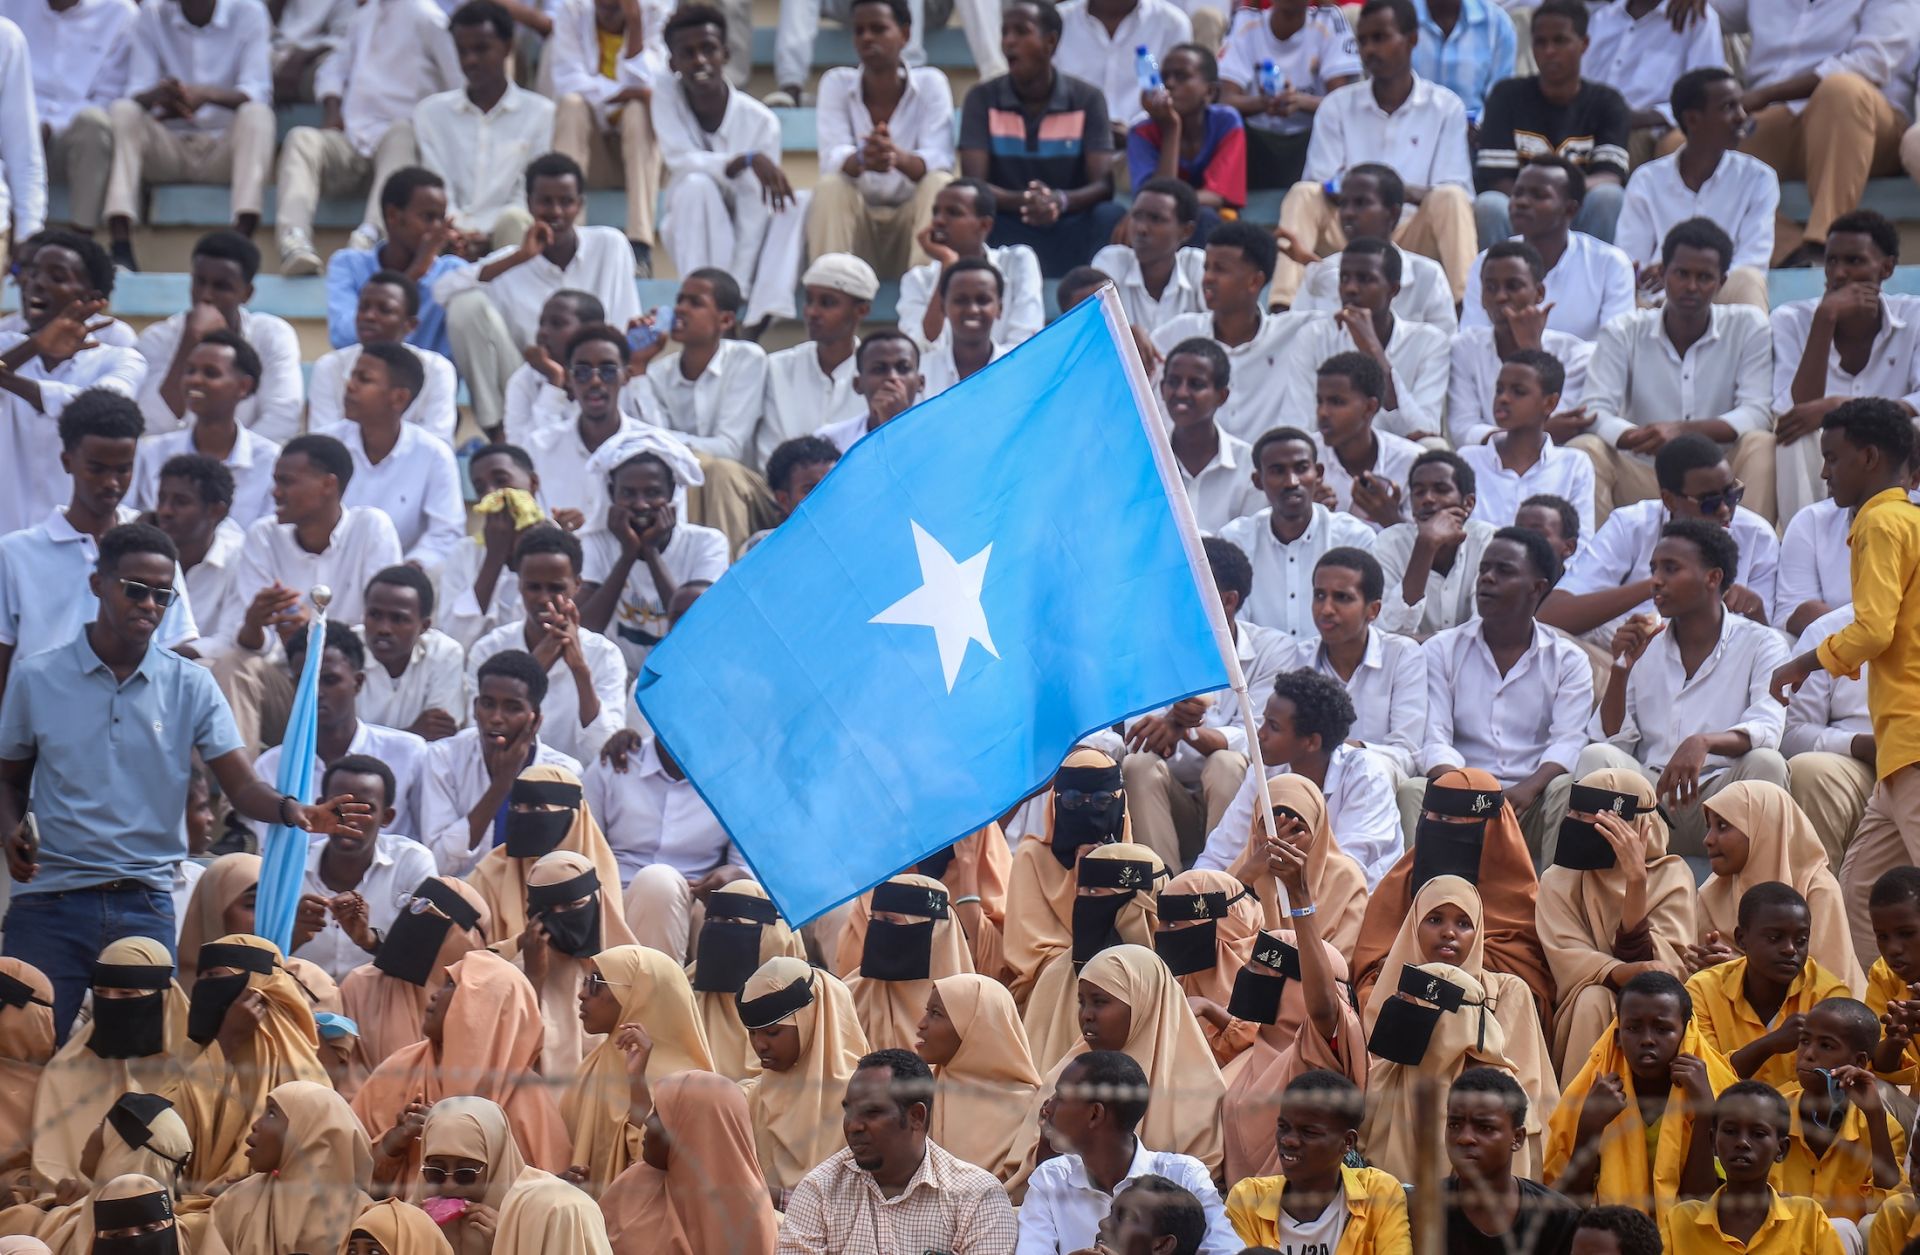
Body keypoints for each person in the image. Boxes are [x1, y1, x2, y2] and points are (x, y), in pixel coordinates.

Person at [0, 524, 370, 1036]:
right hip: (50, 899)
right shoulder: (37, 677)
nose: (149, 605)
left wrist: (295, 811)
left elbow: (240, 786)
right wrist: (8, 830)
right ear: (97, 584)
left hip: (144, 900)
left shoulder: (191, 683)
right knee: (20, 1049)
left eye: (163, 594)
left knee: (140, 1065)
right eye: (135, 589)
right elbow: (8, 780)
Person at [1768, 401, 1920, 969]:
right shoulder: (1911, 521)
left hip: (1911, 736)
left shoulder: (1879, 521)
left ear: (1870, 456)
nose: (1825, 471)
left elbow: (1873, 628)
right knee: (1858, 888)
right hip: (1898, 749)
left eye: (1832, 457)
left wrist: (1803, 663)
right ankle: (1882, 1018)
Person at [1578, 519, 1791, 856]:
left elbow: (1768, 727)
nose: (1656, 580)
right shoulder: (1644, 640)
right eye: (1654, 569)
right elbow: (1610, 737)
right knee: (1596, 757)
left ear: (1713, 577)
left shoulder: (1763, 642)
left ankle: (1757, 895)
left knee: (1767, 762)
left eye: (1671, 568)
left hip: (1721, 798)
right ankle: (1593, 897)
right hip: (1652, 796)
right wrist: (1621, 667)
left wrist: (1703, 742)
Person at [1271, 0, 1476, 306]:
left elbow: (1453, 187)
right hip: (1348, 229)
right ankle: (1281, 307)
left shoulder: (1445, 107)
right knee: (1303, 194)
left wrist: (1381, 194)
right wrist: (1375, 198)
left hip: (1411, 231)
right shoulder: (1336, 105)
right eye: (1363, 41)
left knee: (1451, 199)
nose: (1369, 50)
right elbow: (1323, 182)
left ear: (1411, 39)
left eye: (1380, 38)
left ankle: (1467, 307)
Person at [1573, 218, 1775, 523]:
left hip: (1721, 483)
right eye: (1682, 274)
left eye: (1704, 277)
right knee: (1585, 449)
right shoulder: (1623, 330)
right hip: (1645, 473)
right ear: (1663, 273)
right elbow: (1595, 411)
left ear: (1721, 283)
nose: (1691, 287)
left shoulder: (1748, 326)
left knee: (1761, 444)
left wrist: (1682, 432)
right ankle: (1596, 565)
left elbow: (1758, 411)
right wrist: (1641, 438)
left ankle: (1749, 557)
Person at [0, 392, 198, 696]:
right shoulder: (16, 553)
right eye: (97, 468)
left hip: (132, 716)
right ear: (68, 461)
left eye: (123, 469)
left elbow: (175, 647)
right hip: (41, 723)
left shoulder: (154, 546)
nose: (111, 482)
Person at [1411, 526, 1592, 855]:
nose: (1487, 579)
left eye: (1504, 571)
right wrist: (1462, 789)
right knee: (1411, 791)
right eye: (1484, 569)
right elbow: (1434, 738)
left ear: (1537, 588)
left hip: (1531, 800)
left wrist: (1530, 788)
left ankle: (1558, 904)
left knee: (1567, 791)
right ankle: (1422, 903)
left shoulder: (1568, 659)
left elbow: (1569, 740)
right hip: (1457, 792)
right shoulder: (1441, 650)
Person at [433, 152, 641, 438]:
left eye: (566, 201)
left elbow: (623, 319)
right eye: (546, 201)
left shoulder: (609, 245)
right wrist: (520, 257)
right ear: (529, 204)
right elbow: (442, 290)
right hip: (529, 383)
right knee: (464, 306)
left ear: (580, 205)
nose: (556, 212)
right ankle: (499, 435)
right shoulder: (511, 262)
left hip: (597, 377)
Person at [1361, 874, 1559, 1168]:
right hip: (1402, 1130)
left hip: (1485, 1137)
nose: (1448, 933)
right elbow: (1375, 1075)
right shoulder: (1391, 990)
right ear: (1414, 926)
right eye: (1435, 919)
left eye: (1464, 924)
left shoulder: (1506, 992)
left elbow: (1525, 1085)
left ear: (1478, 931)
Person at [1120, 536, 1282, 868]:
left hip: (1236, 805)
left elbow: (1261, 741)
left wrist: (1185, 729)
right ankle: (1162, 895)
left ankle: (1222, 888)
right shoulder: (1147, 650)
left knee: (1226, 764)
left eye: (1187, 590)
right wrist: (1175, 728)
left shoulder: (1270, 650)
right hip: (1168, 797)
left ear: (1229, 600)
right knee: (1138, 766)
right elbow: (1140, 736)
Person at [352, 948, 572, 1185]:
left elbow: (546, 1199)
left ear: (483, 1008)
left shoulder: (528, 1096)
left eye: (451, 985)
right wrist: (394, 1141)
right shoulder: (400, 1069)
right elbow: (346, 1176)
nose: (435, 994)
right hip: (402, 1221)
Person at [272, 0, 457, 275]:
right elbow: (333, 68)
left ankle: (370, 236)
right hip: (353, 138)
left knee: (401, 132)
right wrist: (333, 107)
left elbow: (458, 84)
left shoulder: (427, 17)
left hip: (400, 150)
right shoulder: (364, 16)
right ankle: (294, 241)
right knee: (301, 138)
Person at [1539, 434, 1779, 646]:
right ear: (1670, 500)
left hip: (1718, 674)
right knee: (1552, 646)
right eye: (1710, 502)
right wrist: (1660, 583)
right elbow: (1551, 618)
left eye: (1733, 494)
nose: (1725, 510)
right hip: (1624, 661)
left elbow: (1769, 648)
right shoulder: (1631, 524)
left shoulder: (1757, 535)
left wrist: (1755, 609)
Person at [1354, 768, 1556, 1015]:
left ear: (1487, 828)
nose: (1432, 826)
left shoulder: (1521, 898)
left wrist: (1438, 968)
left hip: (1483, 1017)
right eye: (1429, 816)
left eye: (1447, 820)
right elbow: (1371, 966)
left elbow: (1531, 985)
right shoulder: (1403, 878)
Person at [778, 1049, 1016, 1254]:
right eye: (849, 1111)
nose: (853, 1126)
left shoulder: (977, 1196)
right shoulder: (820, 1189)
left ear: (916, 1117)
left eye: (872, 1112)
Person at [1538, 769, 1697, 1072]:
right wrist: (1625, 971)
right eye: (1571, 811)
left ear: (1629, 826)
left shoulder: (1673, 875)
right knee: (1593, 1000)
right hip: (1586, 996)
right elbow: (1567, 956)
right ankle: (1578, 1116)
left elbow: (1667, 974)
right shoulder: (1558, 879)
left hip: (1658, 1008)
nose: (1570, 820)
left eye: (1583, 815)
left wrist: (1636, 881)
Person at [1197, 665, 1405, 895]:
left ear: (1312, 742)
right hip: (1281, 905)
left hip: (1352, 907)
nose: (1260, 734)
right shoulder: (1266, 771)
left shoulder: (1366, 775)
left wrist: (1282, 853)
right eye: (1264, 721)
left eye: (1273, 727)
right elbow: (1218, 856)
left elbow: (1348, 873)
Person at [1768, 212, 1920, 525]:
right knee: (1792, 434)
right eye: (1831, 261)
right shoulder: (1791, 319)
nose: (1839, 273)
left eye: (1854, 261)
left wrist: (1845, 407)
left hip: (1894, 444)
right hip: (1828, 449)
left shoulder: (1915, 316)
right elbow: (1795, 408)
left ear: (1887, 267)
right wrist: (1825, 319)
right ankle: (1803, 533)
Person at [102, 0, 274, 274]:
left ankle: (241, 243)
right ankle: (121, 246)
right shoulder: (152, 13)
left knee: (257, 115)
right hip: (168, 147)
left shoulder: (249, 11)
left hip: (224, 150)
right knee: (123, 111)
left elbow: (257, 90)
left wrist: (206, 95)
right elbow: (137, 90)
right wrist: (162, 95)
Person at [1736, 0, 1909, 271]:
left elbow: (1869, 64)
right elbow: (1712, 12)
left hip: (1865, 124)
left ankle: (1827, 243)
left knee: (1841, 89)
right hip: (1777, 119)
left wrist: (1764, 95)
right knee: (1679, 147)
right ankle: (1790, 251)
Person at [956, 0, 1125, 276]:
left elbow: (1103, 185)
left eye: (1021, 32)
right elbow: (976, 184)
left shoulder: (1087, 98)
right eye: (1005, 32)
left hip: (1070, 224)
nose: (1009, 42)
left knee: (1109, 215)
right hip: (1009, 225)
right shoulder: (982, 98)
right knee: (973, 214)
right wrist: (1025, 201)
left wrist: (1059, 201)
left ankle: (1091, 293)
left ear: (1050, 42)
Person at [652, 8, 798, 321]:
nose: (700, 60)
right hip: (690, 223)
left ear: (725, 54)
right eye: (687, 53)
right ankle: (699, 305)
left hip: (750, 236)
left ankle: (749, 311)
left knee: (793, 201)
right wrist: (741, 160)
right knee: (696, 186)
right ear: (672, 63)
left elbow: (756, 210)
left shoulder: (762, 122)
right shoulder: (665, 95)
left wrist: (736, 288)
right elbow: (680, 159)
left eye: (708, 49)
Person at [1015, 1049, 1236, 1255]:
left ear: (1095, 1114)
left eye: (1061, 1097)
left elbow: (1227, 1250)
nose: (1048, 1107)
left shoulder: (1184, 1176)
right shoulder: (1050, 1180)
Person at [0, 235, 149, 538]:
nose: (35, 283)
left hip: (81, 545)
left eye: (56, 277)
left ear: (91, 298)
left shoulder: (121, 360)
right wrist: (34, 346)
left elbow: (94, 408)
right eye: (32, 273)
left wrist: (10, 381)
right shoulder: (8, 347)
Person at [1544, 969, 1732, 1209]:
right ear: (1618, 1036)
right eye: (1633, 1028)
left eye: (1662, 1029)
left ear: (1686, 1033)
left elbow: (1701, 1206)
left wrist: (1705, 1113)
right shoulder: (1590, 1094)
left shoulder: (1716, 1089)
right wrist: (1589, 1127)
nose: (1647, 1040)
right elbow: (1567, 1206)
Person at [1034, 944, 1226, 1175]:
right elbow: (1034, 1180)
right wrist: (1051, 1138)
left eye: (1100, 1001)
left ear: (1143, 1003)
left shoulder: (1199, 1093)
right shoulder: (1064, 1078)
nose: (1086, 1015)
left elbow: (1198, 1186)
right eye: (1082, 1002)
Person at [807, 0, 958, 279]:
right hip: (859, 228)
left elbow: (941, 159)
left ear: (905, 35)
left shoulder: (931, 83)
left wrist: (895, 157)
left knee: (939, 184)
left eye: (878, 29)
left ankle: (924, 300)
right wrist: (865, 158)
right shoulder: (835, 83)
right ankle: (830, 289)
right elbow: (832, 159)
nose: (867, 38)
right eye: (860, 30)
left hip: (912, 227)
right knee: (831, 186)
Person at [168, 934, 333, 1186]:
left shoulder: (303, 1072)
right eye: (200, 978)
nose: (201, 987)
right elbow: (169, 1133)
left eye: (213, 977)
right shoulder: (190, 1053)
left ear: (256, 988)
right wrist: (225, 1044)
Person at [26, 937, 189, 1187]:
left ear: (164, 999)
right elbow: (52, 1171)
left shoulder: (195, 1070)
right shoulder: (65, 1071)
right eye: (101, 994)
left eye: (126, 994)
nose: (112, 1003)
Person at [1614, 67, 1776, 311]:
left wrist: (1692, 274)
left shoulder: (1759, 178)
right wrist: (1669, 279)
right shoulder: (1647, 180)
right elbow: (1630, 261)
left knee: (1749, 281)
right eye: (1728, 108)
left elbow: (1753, 260)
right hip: (1660, 303)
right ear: (1692, 120)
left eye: (1740, 106)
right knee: (1622, 294)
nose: (1741, 116)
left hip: (1721, 296)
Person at [1472, 0, 1630, 244]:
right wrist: (1538, 203)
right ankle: (1500, 279)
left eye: (1560, 40)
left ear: (1583, 44)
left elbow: (1610, 176)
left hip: (1575, 210)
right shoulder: (1506, 96)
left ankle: (1596, 278)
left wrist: (1557, 201)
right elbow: (1497, 178)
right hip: (1521, 211)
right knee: (1490, 205)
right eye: (1541, 42)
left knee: (1609, 198)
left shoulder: (1607, 101)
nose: (1549, 51)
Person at [576, 428, 731, 675]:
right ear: (611, 493)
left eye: (653, 493)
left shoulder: (707, 543)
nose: (640, 504)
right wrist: (627, 557)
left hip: (683, 673)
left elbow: (694, 631)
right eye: (628, 493)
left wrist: (650, 553)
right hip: (617, 676)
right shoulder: (597, 543)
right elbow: (584, 630)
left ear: (672, 493)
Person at [466, 527, 626, 763]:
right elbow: (481, 741)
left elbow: (604, 752)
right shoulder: (489, 649)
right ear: (519, 585)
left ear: (577, 585)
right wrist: (534, 667)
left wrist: (580, 670)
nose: (543, 598)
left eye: (556, 588)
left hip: (581, 791)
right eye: (534, 587)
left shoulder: (604, 654)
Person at [562, 944, 713, 1189]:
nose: (582, 994)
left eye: (597, 982)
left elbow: (656, 1166)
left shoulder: (687, 1085)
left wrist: (637, 1084)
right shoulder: (592, 1067)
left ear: (640, 994)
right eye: (585, 980)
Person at [1693, 779, 1863, 993]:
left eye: (1723, 826)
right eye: (1709, 827)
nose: (1708, 840)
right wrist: (1701, 968)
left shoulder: (1817, 888)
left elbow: (1827, 984)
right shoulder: (1712, 893)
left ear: (1762, 827)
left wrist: (1736, 971)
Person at [279, 754, 437, 983]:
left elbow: (425, 958)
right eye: (339, 808)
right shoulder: (288, 867)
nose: (350, 819)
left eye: (364, 810)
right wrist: (293, 936)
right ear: (321, 806)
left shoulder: (412, 862)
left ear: (387, 817)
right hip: (300, 1006)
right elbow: (258, 958)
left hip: (381, 1007)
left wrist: (369, 940)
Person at [133, 232, 303, 443]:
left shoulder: (272, 334)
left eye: (221, 286)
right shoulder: (156, 338)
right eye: (199, 282)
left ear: (247, 293)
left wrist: (231, 458)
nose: (206, 295)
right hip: (173, 465)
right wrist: (190, 341)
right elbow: (153, 424)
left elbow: (281, 421)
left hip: (249, 466)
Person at [413, 3, 552, 259]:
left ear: (508, 47)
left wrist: (487, 237)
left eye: (481, 49)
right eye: (462, 51)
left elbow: (526, 193)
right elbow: (437, 184)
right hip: (449, 236)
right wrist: (457, 233)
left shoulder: (541, 113)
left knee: (515, 218)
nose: (470, 60)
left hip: (510, 236)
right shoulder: (430, 113)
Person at [1685, 883, 1851, 1090]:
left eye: (1801, 940)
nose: (1790, 949)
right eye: (1775, 938)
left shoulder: (1829, 998)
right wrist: (1770, 1044)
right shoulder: (1703, 989)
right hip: (1724, 1116)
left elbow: (1832, 1086)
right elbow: (1705, 1076)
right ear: (1741, 939)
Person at [1020, 843, 1168, 1074]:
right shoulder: (1055, 978)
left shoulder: (1178, 978)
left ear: (1141, 902)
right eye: (1083, 892)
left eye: (1095, 893)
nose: (1084, 903)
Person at [1148, 223, 1304, 442]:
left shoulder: (1295, 333)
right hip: (1189, 472)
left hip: (1270, 472)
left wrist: (1306, 260)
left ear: (1255, 281)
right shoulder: (1179, 332)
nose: (1207, 278)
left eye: (1220, 269)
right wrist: (1133, 334)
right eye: (1206, 268)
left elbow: (1355, 304)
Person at [1224, 1070, 1412, 1250]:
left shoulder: (1378, 1193)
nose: (1288, 1140)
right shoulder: (1249, 1198)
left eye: (1309, 1132)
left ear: (1347, 1142)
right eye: (1283, 1126)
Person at [318, 343, 464, 573]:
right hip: (326, 570)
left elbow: (445, 534)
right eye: (352, 376)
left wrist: (407, 570)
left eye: (364, 379)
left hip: (400, 584)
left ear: (399, 398)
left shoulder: (433, 455)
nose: (350, 386)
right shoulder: (324, 445)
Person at [599, 1069, 779, 1255]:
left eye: (659, 1116)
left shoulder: (746, 1221)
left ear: (693, 1131)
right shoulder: (634, 1184)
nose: (647, 1121)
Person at [1218, 429, 1378, 638]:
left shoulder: (1354, 538)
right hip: (1258, 668)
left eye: (1301, 469)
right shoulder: (1234, 540)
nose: (1292, 482)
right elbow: (1230, 627)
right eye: (1277, 471)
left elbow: (1370, 623)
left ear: (1318, 473)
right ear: (1258, 480)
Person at [335, 873, 489, 1089]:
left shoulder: (483, 1006)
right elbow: (344, 1076)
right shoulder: (360, 985)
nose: (417, 919)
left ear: (471, 939)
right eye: (413, 905)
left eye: (429, 910)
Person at [1289, 241, 1451, 445]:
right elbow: (1297, 424)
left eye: (1365, 279)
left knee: (1432, 445)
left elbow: (1425, 430)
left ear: (1393, 289)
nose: (1350, 288)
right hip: (1330, 456)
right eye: (1344, 278)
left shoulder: (1430, 341)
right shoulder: (1314, 336)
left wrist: (1374, 352)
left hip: (1399, 458)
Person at [737, 955, 871, 1199]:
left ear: (811, 1022)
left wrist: (779, 1200)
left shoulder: (867, 1099)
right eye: (752, 1034)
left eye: (772, 1032)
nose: (760, 1045)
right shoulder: (752, 1098)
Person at [1460, 157, 1634, 344]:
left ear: (1570, 209)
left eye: (1538, 195)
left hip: (1585, 372)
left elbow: (1616, 347)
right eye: (1517, 193)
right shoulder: (1486, 262)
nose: (1521, 202)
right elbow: (1472, 342)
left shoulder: (1610, 264)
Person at [548, 0, 665, 275]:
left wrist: (635, 25)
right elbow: (567, 81)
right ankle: (570, 236)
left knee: (638, 112)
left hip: (643, 162)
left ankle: (639, 247)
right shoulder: (572, 9)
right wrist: (627, 93)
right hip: (592, 157)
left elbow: (657, 87)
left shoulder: (655, 12)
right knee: (572, 105)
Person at [415, 1095, 615, 1253]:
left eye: (466, 1173)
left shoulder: (550, 1213)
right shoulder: (414, 1214)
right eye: (436, 1172)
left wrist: (508, 1243)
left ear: (496, 1160)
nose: (449, 1186)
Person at [1663, 1083, 1847, 1255]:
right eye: (1730, 1131)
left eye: (1758, 1134)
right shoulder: (1681, 1220)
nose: (1742, 1142)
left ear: (1781, 1149)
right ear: (1713, 1142)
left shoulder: (1807, 1218)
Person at [1446, 240, 1595, 450]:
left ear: (1539, 293)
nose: (1501, 297)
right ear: (1481, 297)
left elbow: (1565, 426)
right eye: (1491, 288)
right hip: (1485, 465)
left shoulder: (1575, 354)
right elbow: (1464, 429)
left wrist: (1532, 349)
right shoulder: (1465, 347)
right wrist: (1538, 431)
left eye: (1513, 286)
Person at [127, 331, 279, 531]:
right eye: (189, 371)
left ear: (243, 386)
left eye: (211, 373)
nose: (195, 380)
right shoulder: (152, 452)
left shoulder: (271, 461)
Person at [1772, 996, 1903, 1228]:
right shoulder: (1771, 1113)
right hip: (1779, 1240)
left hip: (1844, 1246)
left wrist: (1875, 1116)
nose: (1808, 1054)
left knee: (1864, 1226)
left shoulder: (1882, 1127)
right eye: (1804, 1041)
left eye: (1826, 1045)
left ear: (1859, 1061)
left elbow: (1889, 1209)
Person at [8, 0, 130, 238]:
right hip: (14, 132)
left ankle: (79, 244)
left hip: (68, 141)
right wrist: (27, 128)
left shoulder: (119, 13)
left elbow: (109, 98)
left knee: (93, 124)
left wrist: (50, 127)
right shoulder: (9, 8)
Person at [206, 1081, 373, 1255]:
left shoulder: (365, 1218)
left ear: (308, 1131)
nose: (255, 1124)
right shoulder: (236, 1203)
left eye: (271, 1114)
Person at [1287, 164, 1459, 331]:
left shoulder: (1428, 276)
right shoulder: (1319, 273)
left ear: (1393, 213)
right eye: (1343, 203)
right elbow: (1296, 343)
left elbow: (1443, 349)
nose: (1348, 213)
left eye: (1361, 203)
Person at [908, 972, 1040, 1182]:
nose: (922, 1024)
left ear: (976, 1027)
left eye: (936, 1014)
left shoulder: (1031, 1110)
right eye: (927, 1012)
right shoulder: (916, 1094)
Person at [1217, 0, 1358, 192]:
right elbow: (1225, 100)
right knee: (1226, 121)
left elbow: (1341, 102)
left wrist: (1299, 101)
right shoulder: (1245, 21)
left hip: (1310, 137)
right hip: (1257, 139)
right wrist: (1264, 103)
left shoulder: (1329, 20)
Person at [1443, 1067, 1583, 1255]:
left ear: (1517, 1138)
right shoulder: (1420, 1210)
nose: (1465, 1138)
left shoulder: (1559, 1219)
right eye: (1454, 1125)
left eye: (1485, 1127)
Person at [309, 272, 460, 446]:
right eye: (363, 307)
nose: (369, 316)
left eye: (385, 310)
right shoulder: (330, 366)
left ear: (410, 325)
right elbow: (323, 444)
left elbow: (437, 442)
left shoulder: (436, 369)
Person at [1459, 349, 1597, 535]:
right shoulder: (1468, 459)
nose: (1503, 398)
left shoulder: (1574, 465)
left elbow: (1580, 542)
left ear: (1550, 403)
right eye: (1499, 390)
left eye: (1519, 392)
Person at [898, 177, 1045, 350]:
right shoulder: (917, 280)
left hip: (1009, 375)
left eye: (953, 212)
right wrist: (948, 266)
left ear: (984, 225)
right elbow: (921, 349)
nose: (938, 221)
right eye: (936, 212)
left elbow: (1025, 343)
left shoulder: (1017, 261)